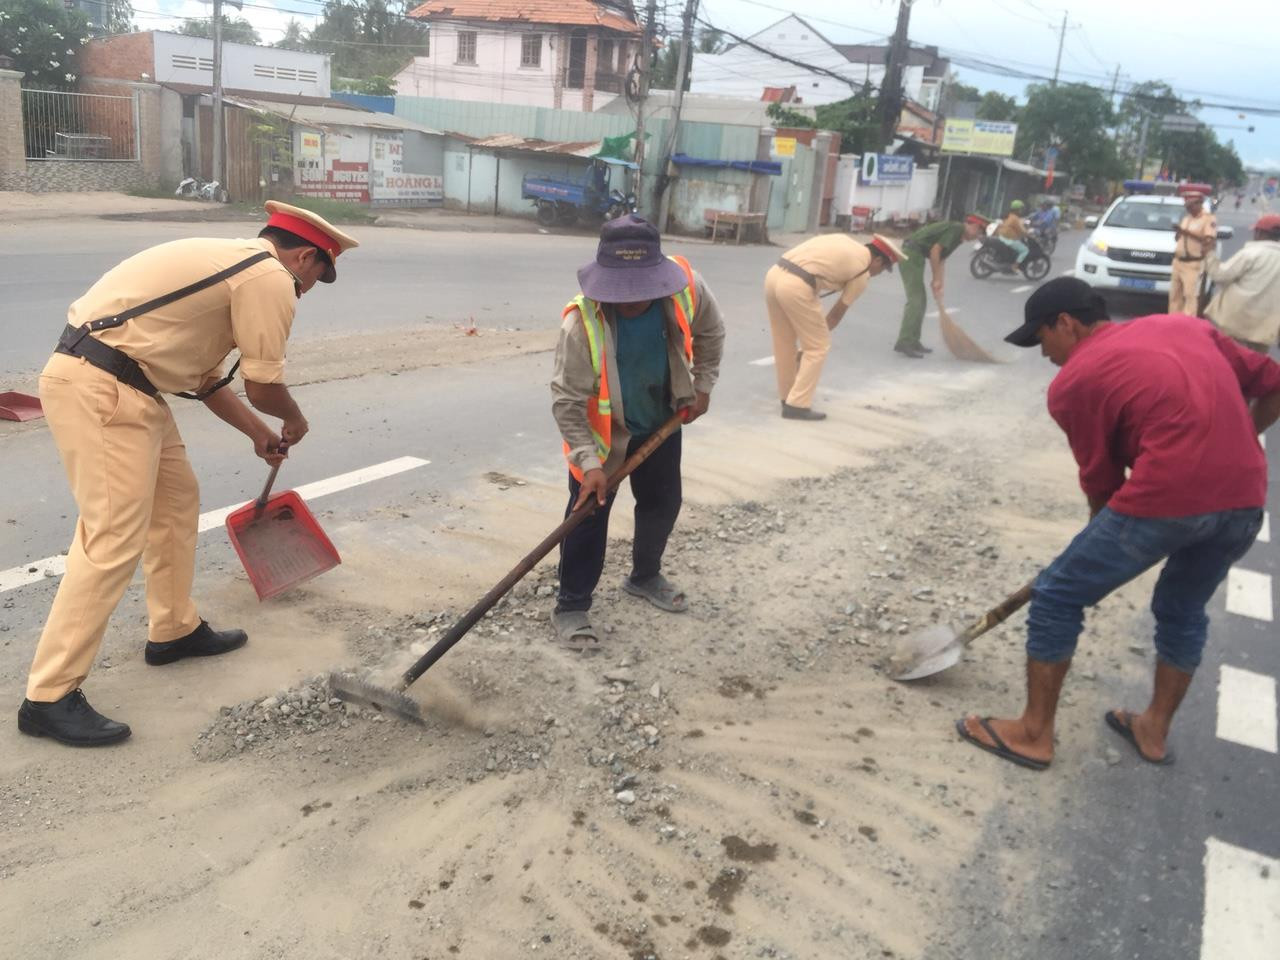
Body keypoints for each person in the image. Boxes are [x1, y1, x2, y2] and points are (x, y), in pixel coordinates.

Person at [18, 202, 359, 748]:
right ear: (304, 256)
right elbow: (265, 385)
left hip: (129, 389)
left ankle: (173, 629)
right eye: (318, 276)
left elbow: (204, 380)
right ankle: (49, 697)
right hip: (104, 389)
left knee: (177, 503)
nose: (310, 289)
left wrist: (257, 433)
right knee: (111, 538)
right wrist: (293, 420)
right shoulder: (270, 276)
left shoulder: (233, 266)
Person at [956, 277, 1280, 771]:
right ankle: (1153, 729)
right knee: (1182, 608)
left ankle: (1032, 734)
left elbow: (1102, 485)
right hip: (1243, 497)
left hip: (1166, 497)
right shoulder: (1185, 327)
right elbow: (1274, 381)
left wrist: (1091, 545)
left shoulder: (1074, 381)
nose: (1043, 355)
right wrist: (1234, 441)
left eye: (1041, 340)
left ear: (1064, 323)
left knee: (1058, 595)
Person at [550, 214, 725, 648]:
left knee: (663, 502)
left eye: (640, 289)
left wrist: (702, 386)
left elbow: (711, 333)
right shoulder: (581, 323)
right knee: (586, 518)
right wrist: (588, 464)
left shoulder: (687, 286)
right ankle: (571, 606)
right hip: (603, 440)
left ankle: (645, 576)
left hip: (663, 420)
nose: (629, 300)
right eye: (619, 291)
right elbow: (567, 402)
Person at [765, 233, 906, 409]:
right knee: (818, 347)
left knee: (784, 341)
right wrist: (811, 342)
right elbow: (835, 315)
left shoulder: (844, 240)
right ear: (877, 261)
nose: (879, 273)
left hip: (773, 275)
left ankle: (786, 396)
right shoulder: (862, 272)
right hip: (796, 286)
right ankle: (797, 405)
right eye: (884, 269)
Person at [894, 215, 986, 357]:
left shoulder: (959, 236)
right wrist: (935, 278)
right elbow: (935, 251)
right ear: (974, 226)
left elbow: (942, 258)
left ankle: (913, 341)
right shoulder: (957, 228)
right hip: (911, 254)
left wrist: (939, 283)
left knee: (921, 301)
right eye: (979, 232)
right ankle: (904, 341)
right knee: (916, 300)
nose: (978, 236)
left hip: (915, 254)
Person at [1205, 213, 1280, 353]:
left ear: (1260, 233)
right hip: (1265, 325)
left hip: (1238, 320)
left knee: (1231, 358)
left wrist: (1209, 255)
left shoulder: (1251, 253)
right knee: (1256, 365)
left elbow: (1220, 275)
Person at [1168, 190, 1218, 315]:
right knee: (1174, 296)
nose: (1188, 209)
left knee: (1190, 296)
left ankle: (1188, 325)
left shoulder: (1208, 219)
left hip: (1193, 263)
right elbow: (1178, 237)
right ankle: (1173, 323)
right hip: (1178, 262)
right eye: (1187, 207)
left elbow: (1208, 241)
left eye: (1191, 206)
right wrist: (1178, 232)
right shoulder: (1186, 219)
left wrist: (1186, 232)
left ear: (1199, 203)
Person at [993, 199, 1030, 266]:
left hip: (1001, 235)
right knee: (1025, 250)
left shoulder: (1009, 215)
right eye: (1021, 209)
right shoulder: (1015, 218)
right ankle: (1015, 266)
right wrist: (1028, 233)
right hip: (1008, 239)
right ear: (1017, 209)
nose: (1022, 210)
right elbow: (1021, 230)